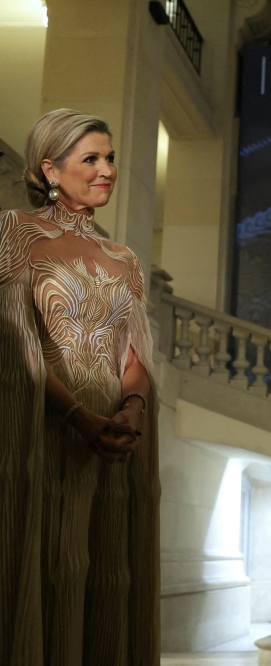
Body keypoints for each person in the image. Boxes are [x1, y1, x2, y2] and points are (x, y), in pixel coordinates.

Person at [0, 109, 159, 664]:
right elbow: (14, 343)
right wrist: (78, 418)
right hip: (42, 434)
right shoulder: (14, 231)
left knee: (106, 578)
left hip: (112, 444)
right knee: (52, 570)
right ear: (50, 169)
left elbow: (135, 353)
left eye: (110, 158)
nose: (107, 170)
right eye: (90, 158)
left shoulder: (125, 259)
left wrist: (131, 410)